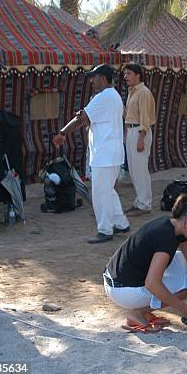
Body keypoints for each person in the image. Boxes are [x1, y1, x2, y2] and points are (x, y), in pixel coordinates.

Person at [103, 195, 187, 333]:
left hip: (116, 280)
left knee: (183, 265)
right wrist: (183, 307)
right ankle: (138, 312)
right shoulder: (167, 237)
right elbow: (152, 283)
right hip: (123, 291)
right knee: (185, 287)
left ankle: (143, 311)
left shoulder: (173, 225)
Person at [53, 64, 130, 244]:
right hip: (111, 152)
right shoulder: (114, 96)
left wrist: (62, 133)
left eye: (94, 77)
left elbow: (82, 118)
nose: (92, 81)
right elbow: (86, 117)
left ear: (103, 78)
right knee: (108, 191)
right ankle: (120, 222)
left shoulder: (104, 97)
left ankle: (105, 229)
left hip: (105, 153)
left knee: (100, 193)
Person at [122, 63, 156, 216]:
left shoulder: (143, 92)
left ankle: (145, 204)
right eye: (125, 74)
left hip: (139, 131)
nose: (126, 77)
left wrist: (141, 138)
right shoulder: (132, 92)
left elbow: (145, 118)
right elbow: (129, 115)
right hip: (131, 131)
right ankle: (139, 201)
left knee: (140, 169)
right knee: (134, 170)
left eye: (129, 73)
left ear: (138, 75)